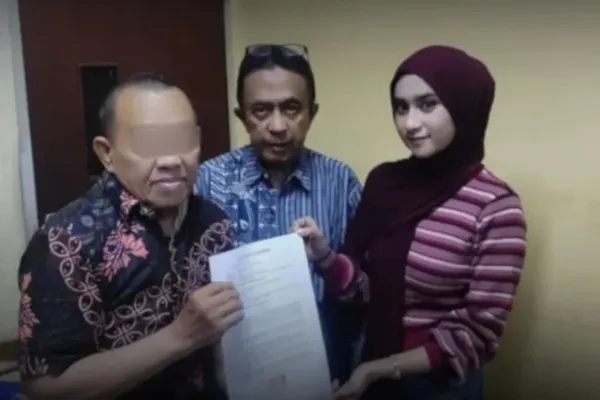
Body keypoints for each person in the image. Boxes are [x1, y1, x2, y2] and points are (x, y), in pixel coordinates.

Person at [292, 45, 527, 399]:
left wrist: (380, 369)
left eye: (427, 105)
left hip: (437, 387)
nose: (409, 123)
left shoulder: (496, 208)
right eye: (401, 108)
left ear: (464, 105)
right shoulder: (385, 182)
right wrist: (324, 257)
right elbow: (364, 292)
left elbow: (478, 333)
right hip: (370, 367)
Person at [17, 73, 243, 400]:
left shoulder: (213, 222)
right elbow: (46, 387)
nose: (171, 160)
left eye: (183, 141)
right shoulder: (65, 241)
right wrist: (180, 337)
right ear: (106, 153)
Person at [195, 44, 363, 384]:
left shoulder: (340, 181)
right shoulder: (207, 182)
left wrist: (327, 260)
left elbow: (364, 295)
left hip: (323, 377)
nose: (277, 125)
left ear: (312, 113)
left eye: (291, 108)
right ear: (241, 116)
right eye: (261, 110)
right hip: (231, 380)